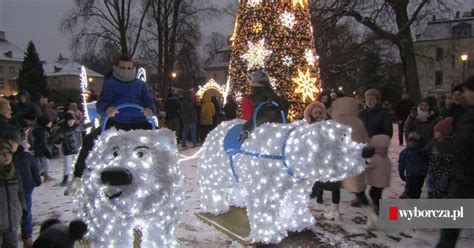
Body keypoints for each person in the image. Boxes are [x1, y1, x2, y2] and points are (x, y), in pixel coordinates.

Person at [67, 54, 156, 194]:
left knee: (161, 141)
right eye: (123, 68)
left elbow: (149, 102)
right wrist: (107, 109)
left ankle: (160, 176)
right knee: (90, 139)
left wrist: (150, 110)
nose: (126, 70)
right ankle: (78, 176)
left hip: (139, 123)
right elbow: (102, 104)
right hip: (116, 123)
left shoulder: (140, 85)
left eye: (129, 68)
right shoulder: (110, 84)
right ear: (116, 68)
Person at [436, 75, 474, 248]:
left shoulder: (470, 115)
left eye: (465, 91)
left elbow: (463, 142)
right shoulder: (464, 112)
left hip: (467, 175)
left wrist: (440, 144)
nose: (463, 95)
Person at [331, 97, 378, 229]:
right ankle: (335, 210)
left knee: (352, 190)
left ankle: (372, 215)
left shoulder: (338, 122)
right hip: (358, 160)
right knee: (358, 189)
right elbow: (366, 139)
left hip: (344, 161)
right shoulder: (358, 122)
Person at [352, 89, 392, 211]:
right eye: (368, 98)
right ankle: (360, 197)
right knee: (358, 176)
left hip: (377, 149)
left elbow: (388, 132)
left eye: (373, 98)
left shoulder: (383, 114)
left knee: (377, 179)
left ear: (377, 100)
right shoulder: (361, 114)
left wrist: (378, 142)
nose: (370, 100)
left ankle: (376, 201)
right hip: (362, 148)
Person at [305, 101, 341, 222]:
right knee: (313, 184)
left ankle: (335, 211)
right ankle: (309, 209)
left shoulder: (329, 123)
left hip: (329, 159)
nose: (318, 115)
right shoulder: (308, 125)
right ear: (311, 114)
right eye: (315, 113)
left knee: (334, 184)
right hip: (315, 159)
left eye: (320, 112)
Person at [239, 70, 287, 142]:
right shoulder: (271, 94)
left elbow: (261, 114)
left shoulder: (256, 96)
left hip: (264, 124)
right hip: (275, 125)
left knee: (247, 128)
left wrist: (246, 128)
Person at [13, 131, 42, 247]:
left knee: (27, 213)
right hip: (11, 191)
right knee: (13, 214)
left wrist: (36, 181)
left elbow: (35, 168)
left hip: (26, 188)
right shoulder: (5, 157)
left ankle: (27, 237)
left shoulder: (26, 155)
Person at [0, 139, 27, 247]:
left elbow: (20, 193)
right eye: (2, 153)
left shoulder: (15, 172)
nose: (6, 156)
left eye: (9, 153)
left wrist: (23, 210)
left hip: (12, 220)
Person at [53, 112, 84, 186]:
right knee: (67, 166)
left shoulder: (78, 127)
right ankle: (65, 179)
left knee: (78, 165)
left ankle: (77, 178)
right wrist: (56, 142)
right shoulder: (62, 130)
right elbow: (56, 139)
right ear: (66, 121)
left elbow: (85, 127)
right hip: (68, 150)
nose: (71, 122)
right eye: (69, 121)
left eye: (72, 121)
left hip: (77, 149)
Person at [426, 117, 454, 199]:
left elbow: (448, 165)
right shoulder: (436, 143)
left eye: (436, 131)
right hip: (433, 175)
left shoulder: (446, 147)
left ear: (443, 133)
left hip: (441, 179)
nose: (434, 133)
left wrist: (444, 179)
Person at [398, 132, 428, 199]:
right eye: (410, 142)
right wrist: (401, 173)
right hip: (410, 174)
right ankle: (407, 194)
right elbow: (401, 163)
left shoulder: (422, 152)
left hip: (420, 176)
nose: (411, 144)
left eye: (414, 142)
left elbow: (426, 163)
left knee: (416, 190)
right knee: (409, 187)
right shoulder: (405, 152)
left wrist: (425, 172)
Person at [33, 116, 55, 182]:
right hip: (43, 151)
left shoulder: (41, 130)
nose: (51, 123)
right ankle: (34, 177)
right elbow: (44, 143)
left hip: (40, 149)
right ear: (45, 123)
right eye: (49, 122)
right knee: (44, 165)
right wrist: (48, 153)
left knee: (45, 164)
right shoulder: (43, 131)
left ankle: (46, 176)